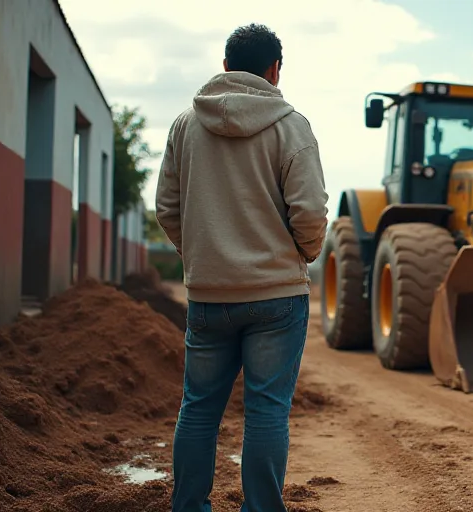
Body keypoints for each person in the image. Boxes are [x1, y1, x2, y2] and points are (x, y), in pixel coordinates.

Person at [155, 22, 329, 512]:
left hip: (209, 298)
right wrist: (302, 254)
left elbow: (167, 207)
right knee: (267, 413)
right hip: (277, 298)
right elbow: (310, 212)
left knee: (199, 410)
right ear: (275, 70)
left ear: (226, 65)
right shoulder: (291, 125)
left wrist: (201, 257)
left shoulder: (186, 124)